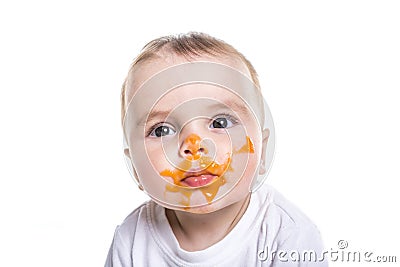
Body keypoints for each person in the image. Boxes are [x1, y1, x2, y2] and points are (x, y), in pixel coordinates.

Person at [105, 32, 328, 266]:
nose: (194, 146)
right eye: (161, 130)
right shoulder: (131, 240)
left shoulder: (287, 235)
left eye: (220, 123)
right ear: (134, 168)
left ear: (262, 150)